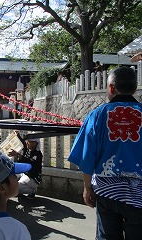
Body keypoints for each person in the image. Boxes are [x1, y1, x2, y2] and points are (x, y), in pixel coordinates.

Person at [68, 67, 142, 239]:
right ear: (134, 88)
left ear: (110, 88)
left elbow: (87, 157)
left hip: (106, 191)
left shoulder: (97, 115)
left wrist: (87, 188)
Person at [8, 131, 43, 198]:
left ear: (35, 143)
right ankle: (19, 190)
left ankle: (32, 190)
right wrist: (17, 134)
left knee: (15, 188)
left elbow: (29, 164)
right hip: (24, 173)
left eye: (29, 141)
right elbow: (22, 142)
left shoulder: (38, 154)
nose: (27, 143)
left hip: (32, 177)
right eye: (27, 141)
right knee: (10, 177)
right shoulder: (27, 147)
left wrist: (18, 155)